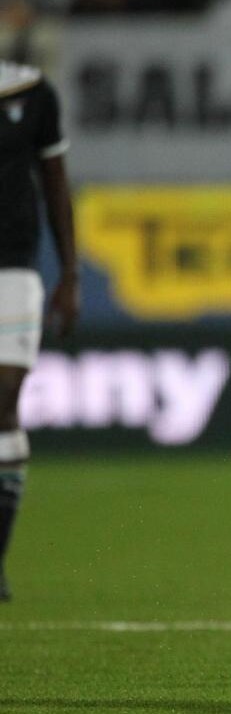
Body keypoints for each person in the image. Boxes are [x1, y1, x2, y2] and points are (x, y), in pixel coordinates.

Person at [0, 58, 78, 602]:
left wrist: (69, 272)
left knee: (5, 399)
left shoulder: (31, 91)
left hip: (13, 263)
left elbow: (55, 178)